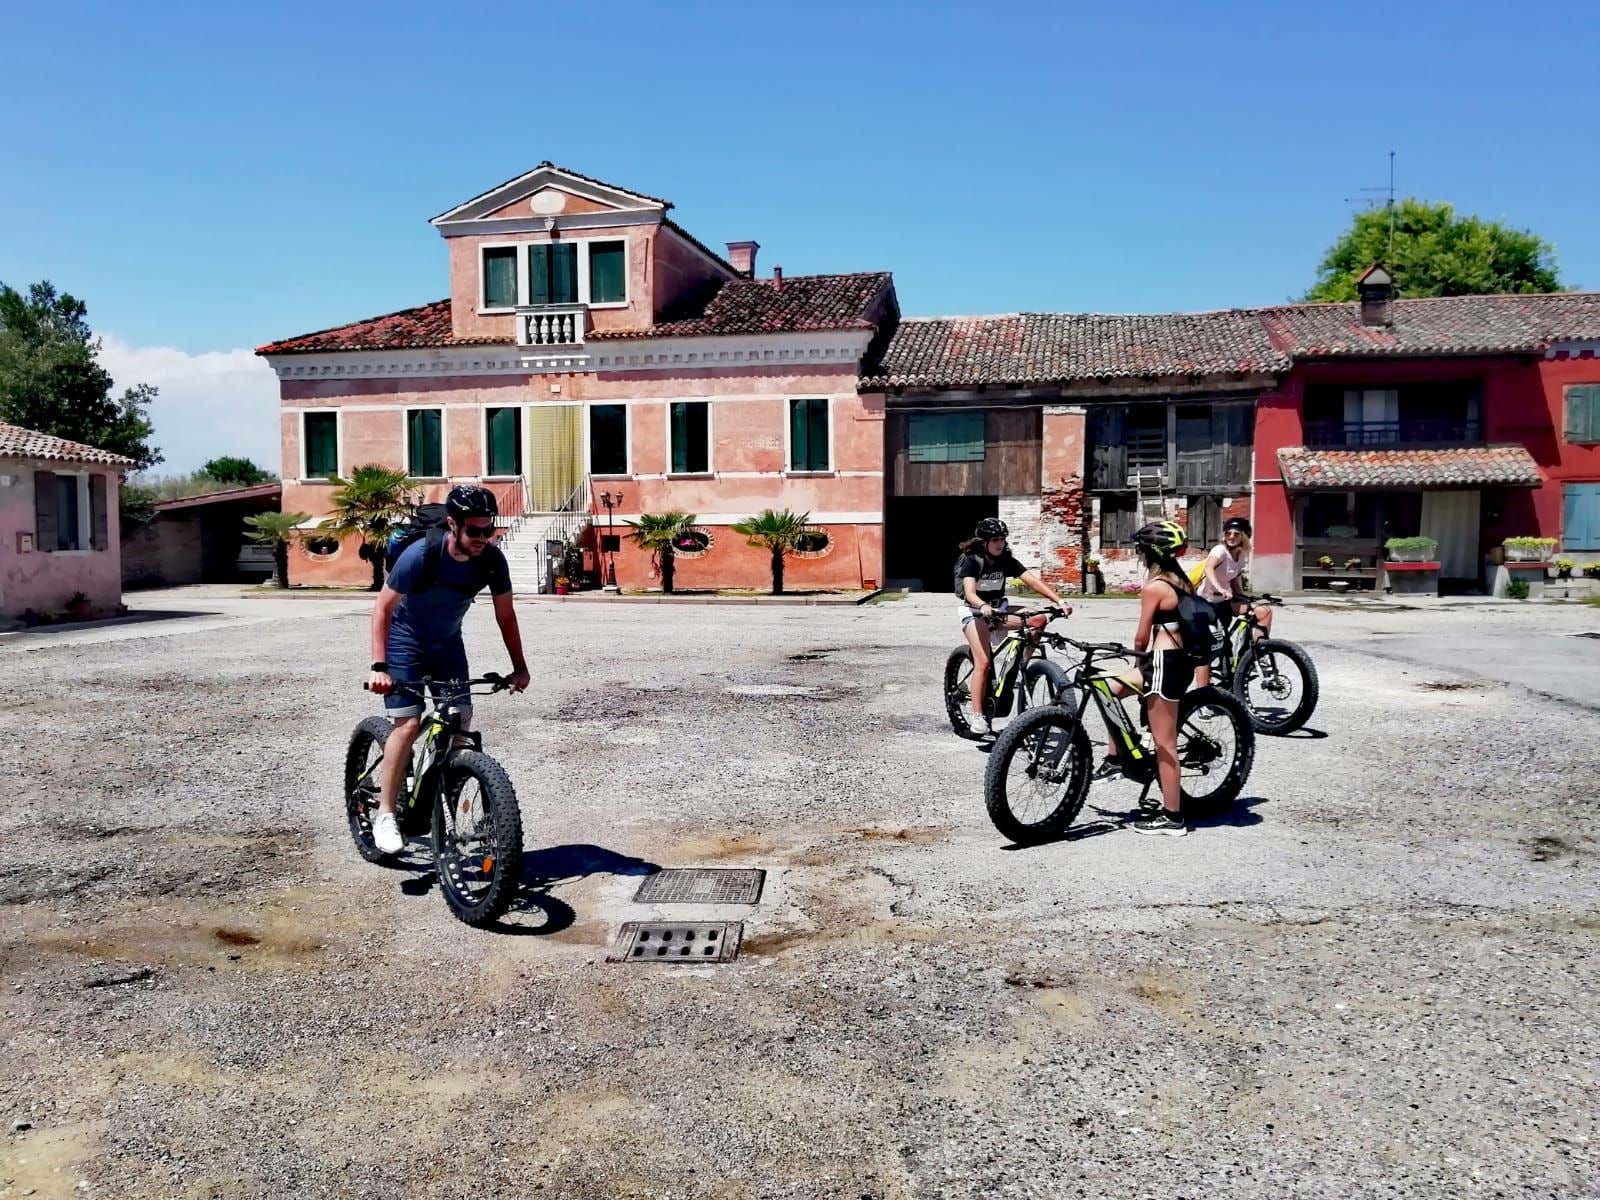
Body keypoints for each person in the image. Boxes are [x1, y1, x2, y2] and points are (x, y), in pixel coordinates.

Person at [367, 485, 530, 853]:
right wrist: (379, 666)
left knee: (460, 715)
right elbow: (382, 610)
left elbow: (505, 615)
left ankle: (451, 779)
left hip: (447, 644)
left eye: (489, 530)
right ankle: (386, 813)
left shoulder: (491, 560)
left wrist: (519, 667)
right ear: (453, 525)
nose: (483, 538)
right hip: (405, 642)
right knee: (407, 724)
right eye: (475, 531)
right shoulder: (422, 554)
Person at [1098, 520, 1212, 838]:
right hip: (1172, 663)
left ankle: (1172, 817)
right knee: (1108, 689)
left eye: (1141, 551)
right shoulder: (1180, 582)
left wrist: (1137, 660)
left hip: (1162, 664)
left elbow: (1140, 638)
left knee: (1164, 744)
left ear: (1149, 553)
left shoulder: (1154, 588)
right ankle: (1117, 756)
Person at [955, 517, 1069, 736]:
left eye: (1002, 539)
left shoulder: (1005, 559)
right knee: (984, 663)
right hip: (975, 612)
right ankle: (978, 716)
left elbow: (1032, 581)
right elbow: (969, 592)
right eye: (995, 540)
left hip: (999, 611)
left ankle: (1021, 666)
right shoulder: (973, 560)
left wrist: (1059, 601)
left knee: (1038, 620)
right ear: (984, 542)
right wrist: (982, 604)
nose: (1000, 544)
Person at [1196, 516, 1273, 642]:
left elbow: (1234, 580)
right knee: (1217, 643)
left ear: (1244, 537)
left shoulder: (1241, 555)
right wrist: (1220, 589)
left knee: (1264, 612)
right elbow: (1208, 568)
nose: (1231, 537)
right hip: (1207, 602)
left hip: (1225, 601)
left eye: (1236, 534)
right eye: (1228, 533)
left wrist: (1244, 597)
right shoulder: (1220, 550)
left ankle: (1259, 651)